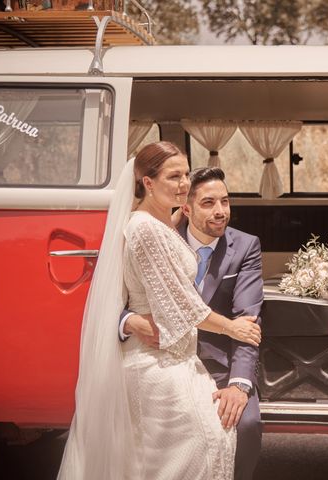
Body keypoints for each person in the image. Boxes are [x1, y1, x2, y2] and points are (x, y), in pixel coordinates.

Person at [58, 141, 261, 479]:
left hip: (183, 360)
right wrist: (232, 327)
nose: (183, 184)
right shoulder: (146, 229)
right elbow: (181, 305)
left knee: (191, 451)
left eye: (185, 175)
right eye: (173, 177)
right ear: (147, 182)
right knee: (193, 452)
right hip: (159, 361)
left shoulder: (164, 223)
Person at [121, 166, 264, 480]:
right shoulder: (157, 235)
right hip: (163, 358)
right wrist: (128, 320)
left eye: (225, 202)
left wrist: (239, 385)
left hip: (219, 364)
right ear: (185, 207)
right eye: (208, 203)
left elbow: (248, 325)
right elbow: (121, 295)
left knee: (247, 425)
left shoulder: (245, 247)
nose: (220, 212)